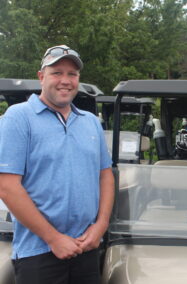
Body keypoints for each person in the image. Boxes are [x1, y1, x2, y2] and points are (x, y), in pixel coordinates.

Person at [0, 45, 114, 283]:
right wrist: (53, 238)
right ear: (41, 77)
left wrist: (101, 226)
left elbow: (105, 176)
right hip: (39, 252)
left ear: (78, 80)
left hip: (87, 248)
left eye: (72, 74)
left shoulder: (91, 123)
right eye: (57, 73)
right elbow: (7, 186)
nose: (65, 80)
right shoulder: (18, 117)